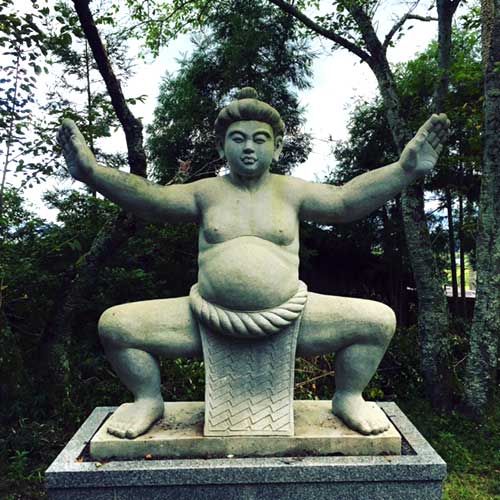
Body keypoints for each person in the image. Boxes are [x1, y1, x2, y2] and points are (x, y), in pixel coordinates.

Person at [57, 87, 449, 439]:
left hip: (291, 318)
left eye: (260, 139)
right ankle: (147, 399)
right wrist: (92, 173)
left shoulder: (291, 191)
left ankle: (348, 396)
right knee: (116, 326)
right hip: (206, 319)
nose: (249, 147)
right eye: (238, 138)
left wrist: (404, 171)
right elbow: (153, 199)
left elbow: (346, 201)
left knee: (377, 321)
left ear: (276, 147)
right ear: (222, 146)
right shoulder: (206, 192)